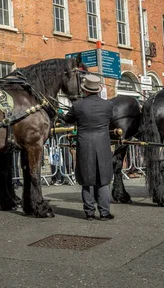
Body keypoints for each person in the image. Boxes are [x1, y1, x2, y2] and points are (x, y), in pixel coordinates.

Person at [63, 74, 114, 221]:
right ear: (98, 90)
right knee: (103, 179)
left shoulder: (78, 105)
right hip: (103, 144)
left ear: (85, 90)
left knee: (87, 180)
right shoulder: (108, 105)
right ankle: (104, 213)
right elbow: (110, 120)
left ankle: (89, 212)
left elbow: (67, 119)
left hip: (85, 144)